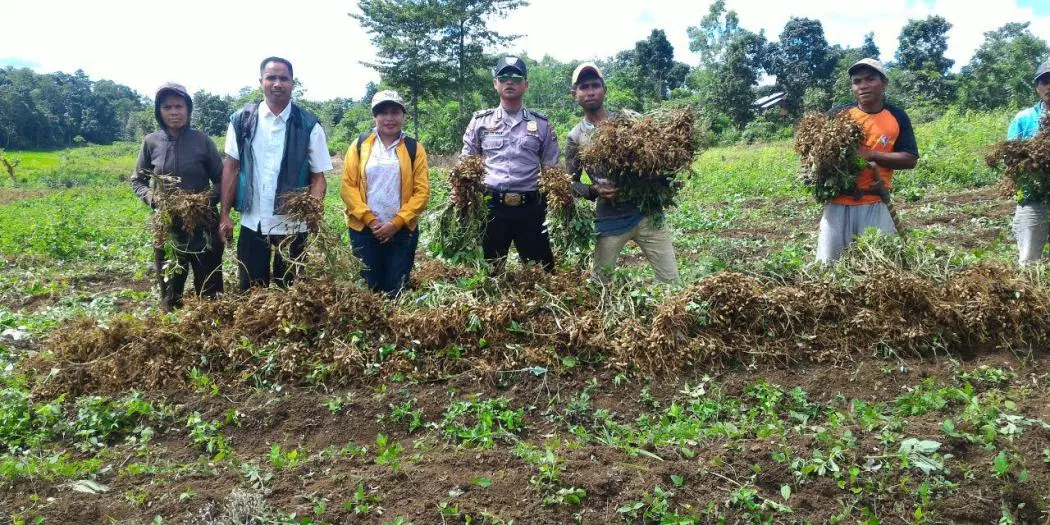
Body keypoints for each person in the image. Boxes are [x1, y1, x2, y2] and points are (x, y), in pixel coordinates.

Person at [218, 57, 332, 289]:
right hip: (253, 221)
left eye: (284, 78)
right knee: (251, 289)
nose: (277, 83)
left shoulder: (309, 125)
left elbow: (318, 178)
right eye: (271, 78)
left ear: (292, 83)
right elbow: (231, 167)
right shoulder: (242, 121)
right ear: (261, 81)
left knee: (290, 291)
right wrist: (225, 214)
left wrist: (313, 213)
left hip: (292, 224)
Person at [564, 63, 680, 284]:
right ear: (575, 94)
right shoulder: (576, 137)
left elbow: (661, 157)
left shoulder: (630, 122)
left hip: (647, 214)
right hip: (610, 219)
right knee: (601, 285)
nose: (590, 91)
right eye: (584, 87)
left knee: (670, 281)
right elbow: (570, 182)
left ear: (604, 89)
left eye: (595, 85)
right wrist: (594, 190)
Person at [131, 82, 224, 310]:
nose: (174, 112)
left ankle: (209, 329)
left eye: (179, 106)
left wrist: (204, 202)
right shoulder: (151, 142)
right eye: (168, 107)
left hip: (203, 226)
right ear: (159, 111)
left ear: (188, 109)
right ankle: (171, 326)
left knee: (209, 291)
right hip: (168, 226)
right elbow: (137, 180)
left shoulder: (202, 141)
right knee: (171, 288)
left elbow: (223, 180)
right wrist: (153, 198)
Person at [460, 56, 559, 271]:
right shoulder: (480, 122)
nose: (509, 81)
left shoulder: (541, 124)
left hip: (531, 208)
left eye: (516, 77)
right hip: (491, 208)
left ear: (526, 84)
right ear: (495, 83)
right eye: (503, 77)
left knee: (541, 273)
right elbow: (466, 164)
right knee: (489, 273)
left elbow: (552, 169)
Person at [816, 58, 919, 263]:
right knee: (829, 266)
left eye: (870, 79)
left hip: (875, 201)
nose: (863, 86)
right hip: (838, 203)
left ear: (884, 83)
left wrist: (871, 155)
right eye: (857, 81)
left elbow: (910, 159)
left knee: (880, 267)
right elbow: (815, 151)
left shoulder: (897, 116)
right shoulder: (838, 115)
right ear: (852, 88)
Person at [341, 90, 430, 296]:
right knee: (367, 291)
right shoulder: (360, 145)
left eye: (395, 112)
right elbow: (348, 186)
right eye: (383, 113)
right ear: (375, 116)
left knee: (395, 290)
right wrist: (371, 221)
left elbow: (421, 192)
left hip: (401, 232)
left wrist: (395, 223)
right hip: (364, 231)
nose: (389, 118)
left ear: (402, 115)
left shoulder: (414, 149)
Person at [1007, 61, 1050, 265]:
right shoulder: (1024, 119)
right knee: (1028, 259)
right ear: (1037, 87)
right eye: (1045, 81)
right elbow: (1010, 158)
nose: (1049, 86)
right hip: (1034, 197)